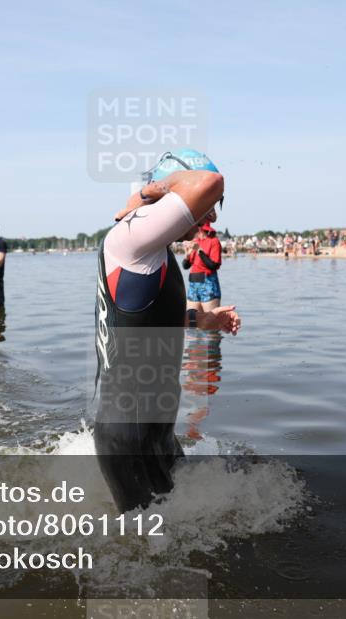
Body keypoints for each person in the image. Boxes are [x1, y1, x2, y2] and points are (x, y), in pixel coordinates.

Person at [94, 149, 241, 514]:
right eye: (209, 205)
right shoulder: (131, 234)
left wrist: (201, 320)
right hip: (128, 436)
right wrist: (146, 194)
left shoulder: (151, 250)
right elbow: (210, 181)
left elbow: (145, 319)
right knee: (146, 550)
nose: (212, 214)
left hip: (155, 429)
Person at [184, 222, 223, 311]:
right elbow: (186, 266)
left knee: (211, 321)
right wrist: (187, 254)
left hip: (208, 283)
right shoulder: (195, 242)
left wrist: (199, 250)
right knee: (192, 319)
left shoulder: (214, 241)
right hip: (193, 284)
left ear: (200, 230)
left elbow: (213, 265)